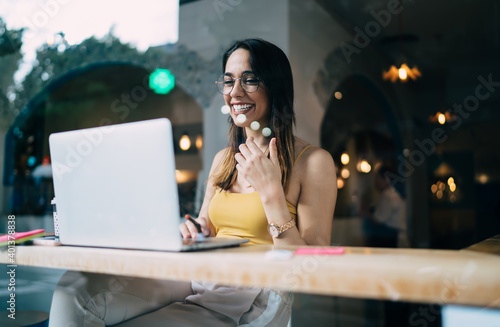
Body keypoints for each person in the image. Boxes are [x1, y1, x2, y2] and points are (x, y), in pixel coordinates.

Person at [49, 38, 337, 326]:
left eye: (249, 80)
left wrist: (272, 194)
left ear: (275, 86)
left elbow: (311, 267)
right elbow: (205, 228)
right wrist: (194, 230)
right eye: (228, 81)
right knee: (72, 291)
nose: (235, 92)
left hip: (250, 294)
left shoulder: (313, 162)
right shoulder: (223, 159)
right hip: (199, 276)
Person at [361, 163, 408, 248]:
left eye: (377, 178)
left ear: (386, 179)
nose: (375, 181)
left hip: (391, 239)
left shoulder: (389, 196)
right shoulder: (393, 193)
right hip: (395, 238)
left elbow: (378, 219)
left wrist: (364, 212)